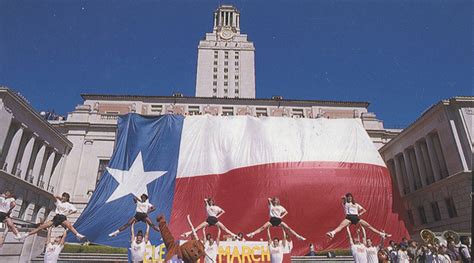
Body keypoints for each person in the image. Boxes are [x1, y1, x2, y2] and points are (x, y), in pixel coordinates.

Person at [326, 193, 390, 239]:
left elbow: (364, 210)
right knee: (340, 227)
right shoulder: (345, 203)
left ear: (352, 198)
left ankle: (382, 234)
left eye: (350, 197)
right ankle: (332, 233)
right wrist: (345, 197)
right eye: (348, 197)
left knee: (369, 226)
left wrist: (359, 214)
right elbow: (342, 197)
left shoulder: (356, 204)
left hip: (356, 217)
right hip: (349, 217)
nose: (349, 198)